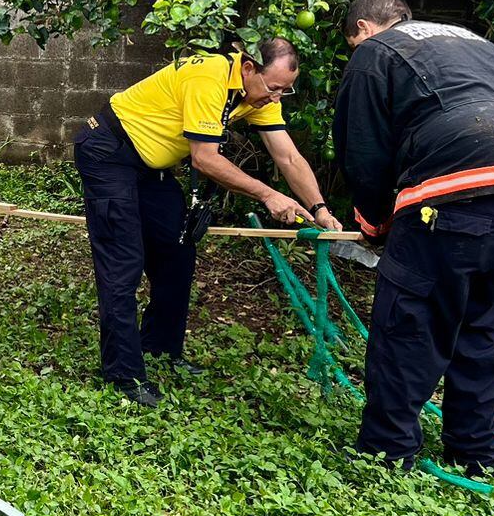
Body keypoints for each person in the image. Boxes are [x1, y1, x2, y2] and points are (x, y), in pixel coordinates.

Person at [334, 0, 494, 475]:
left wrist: (375, 222)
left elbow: (364, 149)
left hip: (460, 170)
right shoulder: (472, 42)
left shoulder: (375, 52)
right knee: (482, 315)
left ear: (362, 28)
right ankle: (476, 450)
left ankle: (387, 449)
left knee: (410, 318)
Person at [73, 37, 339, 407]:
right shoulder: (210, 77)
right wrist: (268, 194)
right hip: (108, 152)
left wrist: (320, 207)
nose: (276, 97)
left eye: (285, 91)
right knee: (123, 262)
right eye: (274, 87)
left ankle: (161, 349)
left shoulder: (255, 96)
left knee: (177, 252)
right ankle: (124, 374)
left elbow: (288, 157)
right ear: (249, 68)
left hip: (152, 166)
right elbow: (205, 159)